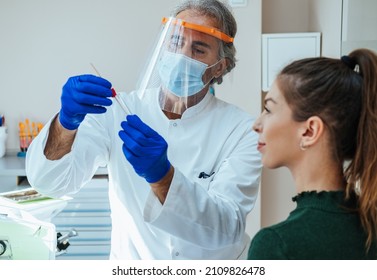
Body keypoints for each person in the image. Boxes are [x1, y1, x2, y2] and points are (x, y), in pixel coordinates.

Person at [26, 0, 261, 260]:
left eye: (198, 49)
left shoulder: (243, 130)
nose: (182, 55)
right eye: (175, 42)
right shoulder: (119, 109)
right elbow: (49, 183)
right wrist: (66, 122)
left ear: (220, 66)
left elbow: (227, 228)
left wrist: (162, 177)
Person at [248, 48, 377, 260]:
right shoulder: (369, 228)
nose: (256, 125)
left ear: (309, 131)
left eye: (269, 110)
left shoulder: (277, 245)